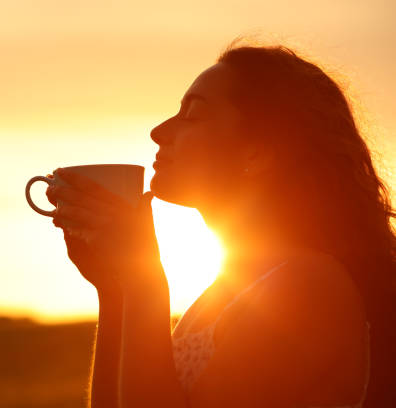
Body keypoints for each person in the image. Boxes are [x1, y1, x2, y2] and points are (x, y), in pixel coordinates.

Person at [44, 39, 396, 408]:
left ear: (256, 152)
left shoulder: (307, 286)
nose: (159, 131)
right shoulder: (227, 293)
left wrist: (144, 279)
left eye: (192, 114)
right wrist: (114, 288)